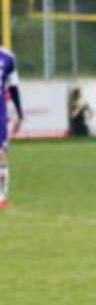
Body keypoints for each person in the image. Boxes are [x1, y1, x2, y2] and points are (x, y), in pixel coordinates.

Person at [0, 46, 24, 209]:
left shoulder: (7, 57)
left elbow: (13, 87)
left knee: (1, 153)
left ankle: (1, 198)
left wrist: (19, 114)